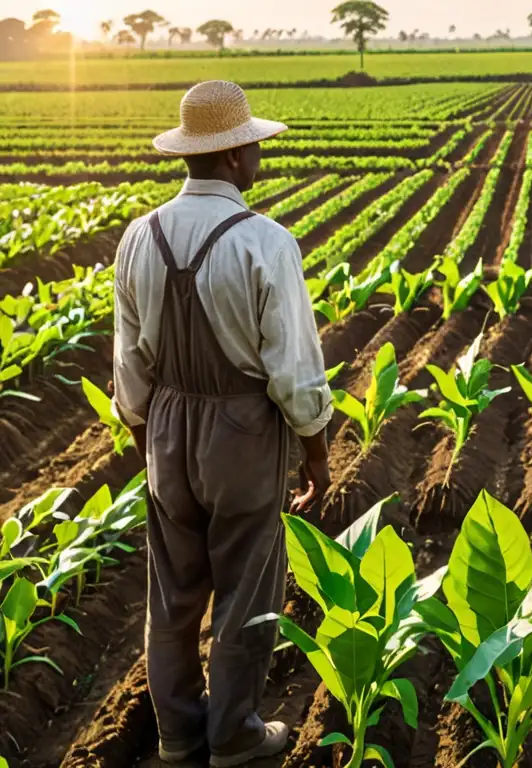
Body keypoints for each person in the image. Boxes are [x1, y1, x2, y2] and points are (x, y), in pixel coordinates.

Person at [113, 80, 332, 767]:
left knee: (173, 590)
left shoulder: (138, 237)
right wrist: (316, 454)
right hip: (242, 430)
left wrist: (148, 440)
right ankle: (233, 736)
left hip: (167, 426)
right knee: (245, 586)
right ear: (236, 156)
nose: (258, 155)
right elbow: (295, 370)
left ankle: (178, 732)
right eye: (255, 147)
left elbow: (129, 365)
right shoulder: (265, 242)